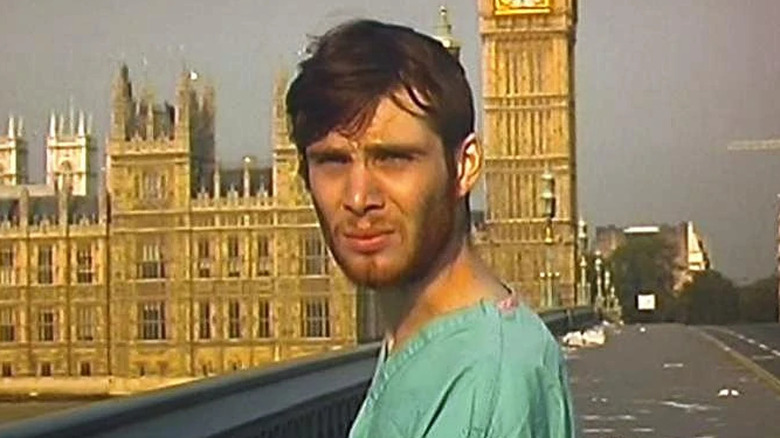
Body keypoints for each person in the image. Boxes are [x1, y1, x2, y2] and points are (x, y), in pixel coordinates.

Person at [286, 19, 575, 438]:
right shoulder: (424, 340)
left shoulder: (484, 384)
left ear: (464, 166)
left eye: (393, 158)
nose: (358, 196)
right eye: (332, 162)